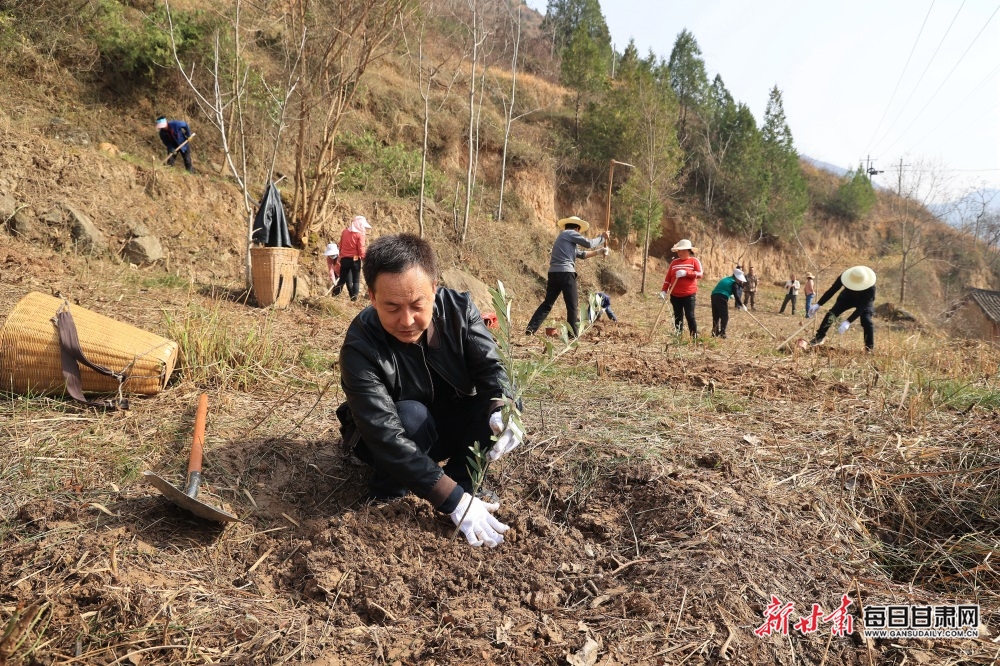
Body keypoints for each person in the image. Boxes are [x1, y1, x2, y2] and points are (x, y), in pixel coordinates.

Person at [337, 233, 523, 548]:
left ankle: (464, 489)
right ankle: (391, 498)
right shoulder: (360, 345)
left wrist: (506, 410)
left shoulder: (459, 311)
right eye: (392, 307)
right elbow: (385, 434)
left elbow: (495, 370)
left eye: (417, 305)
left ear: (434, 289)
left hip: (444, 426)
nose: (406, 320)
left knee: (491, 406)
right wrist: (451, 500)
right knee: (410, 415)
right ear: (371, 296)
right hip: (391, 438)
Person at [525, 216, 609, 337]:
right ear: (577, 228)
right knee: (572, 305)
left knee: (547, 304)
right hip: (566, 274)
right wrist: (602, 237)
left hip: (554, 273)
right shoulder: (570, 233)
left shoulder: (564, 238)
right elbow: (589, 243)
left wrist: (599, 251)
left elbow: (581, 254)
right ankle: (572, 334)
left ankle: (530, 329)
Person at [809, 265, 877, 351]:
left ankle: (869, 348)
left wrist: (848, 321)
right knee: (832, 313)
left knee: (867, 321)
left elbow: (861, 308)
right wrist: (818, 304)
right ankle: (820, 336)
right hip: (847, 297)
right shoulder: (844, 277)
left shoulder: (871, 288)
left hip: (863, 301)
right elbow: (833, 290)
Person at [660, 239, 703, 337]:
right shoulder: (674, 263)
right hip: (675, 295)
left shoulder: (694, 261)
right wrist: (664, 290)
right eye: (679, 251)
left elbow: (700, 274)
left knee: (690, 316)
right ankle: (678, 336)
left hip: (689, 295)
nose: (680, 253)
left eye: (683, 250)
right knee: (678, 316)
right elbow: (668, 278)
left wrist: (686, 273)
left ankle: (694, 337)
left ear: (689, 251)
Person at [339, 215, 371, 301]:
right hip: (355, 260)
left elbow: (340, 245)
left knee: (342, 280)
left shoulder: (344, 232)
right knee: (356, 281)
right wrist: (364, 259)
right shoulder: (360, 235)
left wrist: (341, 256)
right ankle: (354, 299)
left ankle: (334, 296)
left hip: (344, 259)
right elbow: (361, 248)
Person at [710, 268, 747, 339]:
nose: (740, 281)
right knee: (724, 317)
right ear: (736, 277)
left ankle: (715, 333)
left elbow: (723, 288)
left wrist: (730, 295)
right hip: (721, 298)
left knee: (716, 316)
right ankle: (722, 333)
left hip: (714, 296)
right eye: (739, 280)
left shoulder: (727, 279)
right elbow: (737, 295)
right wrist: (742, 305)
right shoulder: (734, 283)